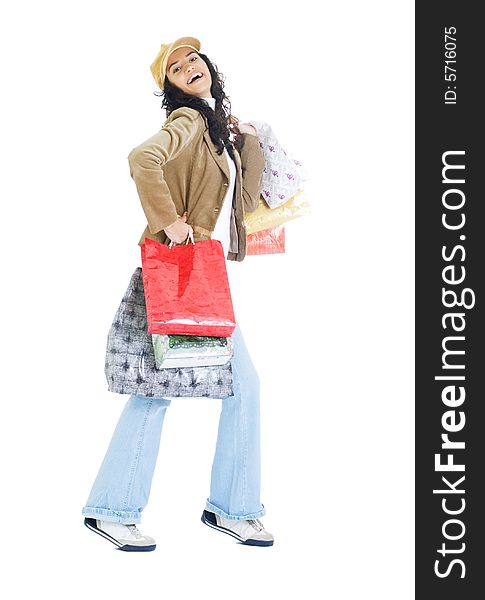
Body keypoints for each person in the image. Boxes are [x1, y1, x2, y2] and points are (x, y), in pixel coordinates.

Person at [82, 36, 274, 551]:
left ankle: (228, 508)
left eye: (194, 58)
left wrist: (248, 142)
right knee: (163, 389)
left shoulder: (213, 132)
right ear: (168, 86)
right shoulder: (188, 122)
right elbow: (142, 158)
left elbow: (246, 202)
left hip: (199, 272)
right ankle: (117, 510)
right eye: (176, 66)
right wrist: (169, 223)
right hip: (174, 269)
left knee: (234, 386)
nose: (190, 66)